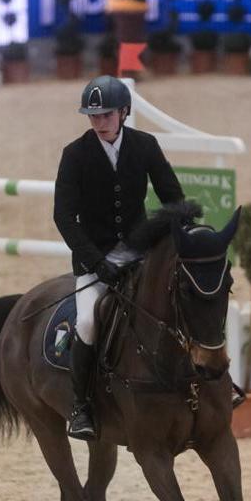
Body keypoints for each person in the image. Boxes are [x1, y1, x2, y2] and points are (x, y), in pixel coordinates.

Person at [54, 75, 184, 440]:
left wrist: (158, 242)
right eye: (93, 116)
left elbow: (174, 200)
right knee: (87, 323)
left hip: (139, 255)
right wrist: (96, 262)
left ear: (123, 112)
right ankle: (80, 407)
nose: (100, 122)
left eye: (106, 115)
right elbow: (64, 217)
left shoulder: (145, 146)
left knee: (179, 305)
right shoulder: (75, 155)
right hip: (94, 262)